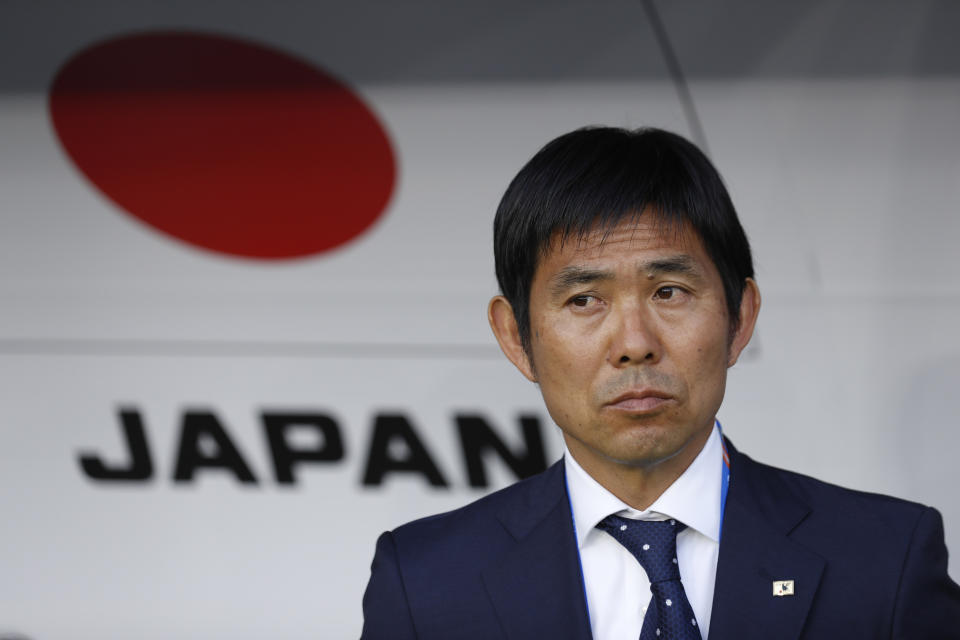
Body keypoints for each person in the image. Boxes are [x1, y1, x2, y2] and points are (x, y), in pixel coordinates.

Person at [360, 127, 960, 639]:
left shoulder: (886, 560)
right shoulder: (426, 584)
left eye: (668, 291)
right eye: (584, 299)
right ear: (516, 338)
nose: (634, 343)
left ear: (739, 316)